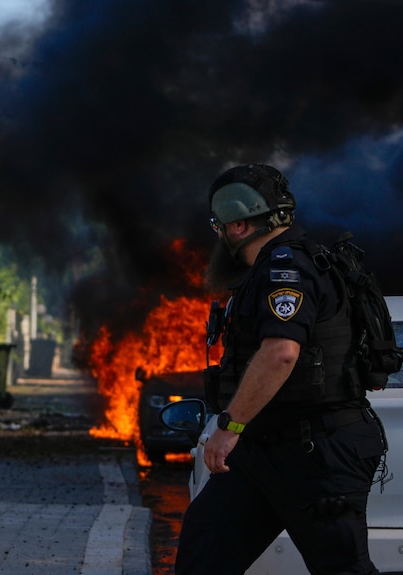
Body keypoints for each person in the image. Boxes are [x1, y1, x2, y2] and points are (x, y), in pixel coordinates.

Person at [176, 163, 388, 574]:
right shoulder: (272, 268)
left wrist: (228, 427)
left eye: (218, 224)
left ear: (238, 226)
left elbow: (280, 353)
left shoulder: (285, 269)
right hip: (263, 452)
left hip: (317, 453)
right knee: (204, 553)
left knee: (342, 568)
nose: (218, 234)